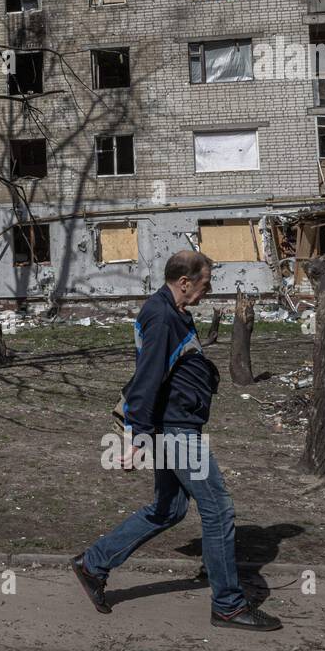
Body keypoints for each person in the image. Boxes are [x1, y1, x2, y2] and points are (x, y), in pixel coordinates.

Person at [71, 250, 281, 631]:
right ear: (184, 282)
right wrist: (135, 434)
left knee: (169, 509)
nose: (207, 291)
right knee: (217, 509)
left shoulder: (173, 313)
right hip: (174, 430)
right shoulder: (161, 315)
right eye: (204, 284)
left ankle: (93, 564)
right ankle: (229, 606)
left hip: (177, 425)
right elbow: (147, 376)